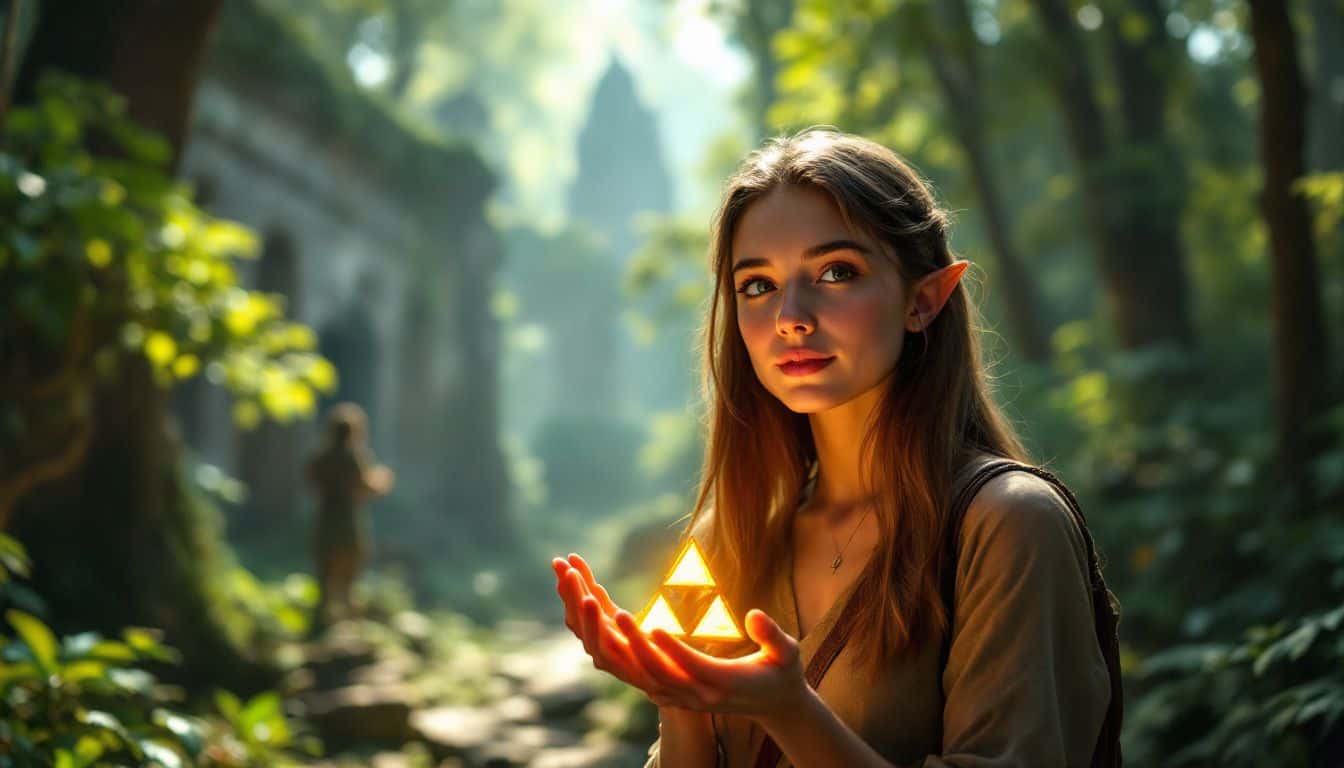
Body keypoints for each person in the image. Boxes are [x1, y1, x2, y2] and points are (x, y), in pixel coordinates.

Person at [552, 129, 1118, 767]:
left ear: (924, 299)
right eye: (757, 285)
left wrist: (788, 710)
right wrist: (679, 695)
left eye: (836, 272)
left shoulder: (1010, 523)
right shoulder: (727, 535)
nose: (791, 315)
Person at [306, 402, 394, 626]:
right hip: (347, 523)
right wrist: (382, 479)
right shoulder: (353, 457)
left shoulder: (321, 456)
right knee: (349, 576)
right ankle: (346, 626)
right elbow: (366, 486)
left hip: (325, 521)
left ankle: (322, 623)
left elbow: (311, 482)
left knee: (325, 577)